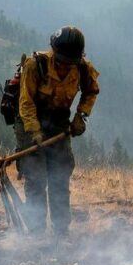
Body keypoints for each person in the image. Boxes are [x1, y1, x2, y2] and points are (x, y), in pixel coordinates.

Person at [16, 26, 100, 236]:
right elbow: (26, 103)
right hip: (30, 120)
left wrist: (81, 115)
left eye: (69, 63)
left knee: (60, 176)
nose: (64, 66)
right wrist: (34, 132)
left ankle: (61, 230)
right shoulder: (35, 66)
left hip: (59, 121)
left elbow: (91, 91)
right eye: (61, 61)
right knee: (36, 177)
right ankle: (36, 232)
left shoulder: (83, 68)